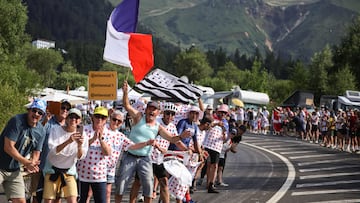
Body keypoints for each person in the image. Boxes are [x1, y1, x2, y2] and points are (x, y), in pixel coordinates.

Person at [114, 81, 191, 203]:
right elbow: (127, 105)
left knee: (149, 187)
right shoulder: (139, 117)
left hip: (145, 158)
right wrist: (125, 93)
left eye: (154, 109)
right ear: (146, 110)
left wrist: (181, 136)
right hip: (130, 155)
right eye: (150, 108)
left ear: (157, 112)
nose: (151, 111)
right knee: (121, 185)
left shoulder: (158, 127)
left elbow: (171, 138)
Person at [0, 98, 47, 203]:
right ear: (29, 110)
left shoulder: (41, 131)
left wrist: (32, 163)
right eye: (34, 110)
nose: (36, 114)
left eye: (40, 112)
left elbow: (36, 152)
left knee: (21, 201)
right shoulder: (17, 121)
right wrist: (26, 162)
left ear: (42, 116)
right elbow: (8, 147)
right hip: (0, 165)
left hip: (14, 170)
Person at [42, 108, 88, 203]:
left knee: (72, 199)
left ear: (80, 120)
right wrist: (68, 141)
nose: (73, 120)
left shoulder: (83, 135)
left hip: (69, 171)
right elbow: (53, 150)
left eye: (76, 118)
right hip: (52, 169)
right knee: (49, 200)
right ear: (66, 119)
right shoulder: (56, 130)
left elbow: (80, 157)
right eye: (71, 117)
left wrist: (79, 145)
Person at [34, 99, 72, 203]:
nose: (65, 110)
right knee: (38, 196)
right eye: (62, 107)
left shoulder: (69, 125)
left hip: (60, 167)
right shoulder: (48, 121)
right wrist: (45, 120)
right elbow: (37, 133)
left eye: (67, 109)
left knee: (57, 197)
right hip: (43, 166)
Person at [77, 106, 112, 203]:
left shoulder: (109, 133)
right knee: (82, 200)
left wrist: (101, 140)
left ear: (106, 120)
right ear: (92, 117)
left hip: (99, 176)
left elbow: (108, 153)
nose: (99, 119)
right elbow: (79, 147)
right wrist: (92, 139)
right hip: (82, 174)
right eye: (97, 116)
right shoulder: (84, 129)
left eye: (103, 117)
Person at [203, 104, 229, 193]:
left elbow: (225, 138)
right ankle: (197, 182)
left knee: (214, 165)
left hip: (217, 147)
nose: (222, 114)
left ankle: (211, 184)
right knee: (204, 164)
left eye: (224, 113)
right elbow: (206, 128)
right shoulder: (212, 118)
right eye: (221, 112)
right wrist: (217, 123)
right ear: (217, 112)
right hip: (207, 144)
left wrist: (224, 133)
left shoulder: (226, 123)